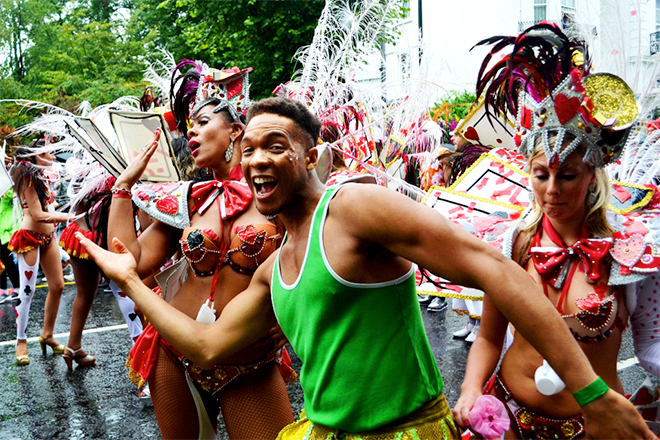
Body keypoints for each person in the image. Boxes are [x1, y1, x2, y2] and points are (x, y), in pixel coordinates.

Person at [79, 97, 657, 440]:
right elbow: (206, 346)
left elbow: (493, 270)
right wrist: (128, 279)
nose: (256, 158)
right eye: (248, 148)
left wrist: (596, 395)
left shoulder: (354, 208)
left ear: (309, 156)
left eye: (275, 144)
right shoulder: (273, 268)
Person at [453, 24, 660, 439]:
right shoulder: (513, 243)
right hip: (510, 418)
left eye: (567, 175)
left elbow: (652, 345)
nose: (551, 190)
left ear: (592, 175)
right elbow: (490, 338)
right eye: (540, 174)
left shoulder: (631, 250)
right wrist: (471, 388)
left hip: (594, 428)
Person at [103, 65, 295, 440]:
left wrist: (289, 323)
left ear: (235, 131)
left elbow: (310, 263)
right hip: (173, 351)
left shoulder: (278, 193)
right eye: (189, 125)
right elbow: (132, 259)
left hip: (247, 357)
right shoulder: (188, 198)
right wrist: (123, 186)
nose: (190, 131)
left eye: (203, 121)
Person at [8, 141, 71, 365]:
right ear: (36, 157)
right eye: (48, 153)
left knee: (57, 286)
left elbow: (48, 211)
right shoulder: (26, 178)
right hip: (29, 239)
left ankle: (47, 334)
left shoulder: (42, 177)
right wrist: (69, 217)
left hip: (48, 239)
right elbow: (38, 214)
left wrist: (62, 252)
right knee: (27, 292)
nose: (53, 156)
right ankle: (21, 341)